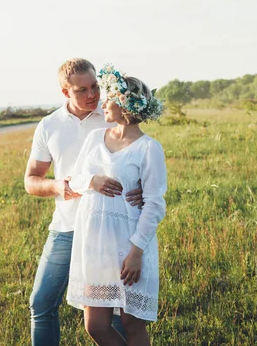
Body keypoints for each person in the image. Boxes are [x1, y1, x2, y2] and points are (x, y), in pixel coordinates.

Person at [24, 58, 144, 346]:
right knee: (41, 303)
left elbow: (142, 159)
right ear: (66, 92)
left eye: (95, 87)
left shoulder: (111, 115)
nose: (93, 95)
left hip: (109, 228)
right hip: (66, 227)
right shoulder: (49, 125)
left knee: (112, 308)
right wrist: (59, 185)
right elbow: (31, 180)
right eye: (82, 90)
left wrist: (142, 189)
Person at [66, 63, 167, 346]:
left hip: (129, 246)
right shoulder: (95, 138)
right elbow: (72, 182)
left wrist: (136, 252)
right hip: (95, 245)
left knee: (131, 324)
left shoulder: (149, 148)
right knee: (95, 326)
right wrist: (92, 181)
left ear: (124, 103)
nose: (102, 102)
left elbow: (155, 204)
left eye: (108, 97)